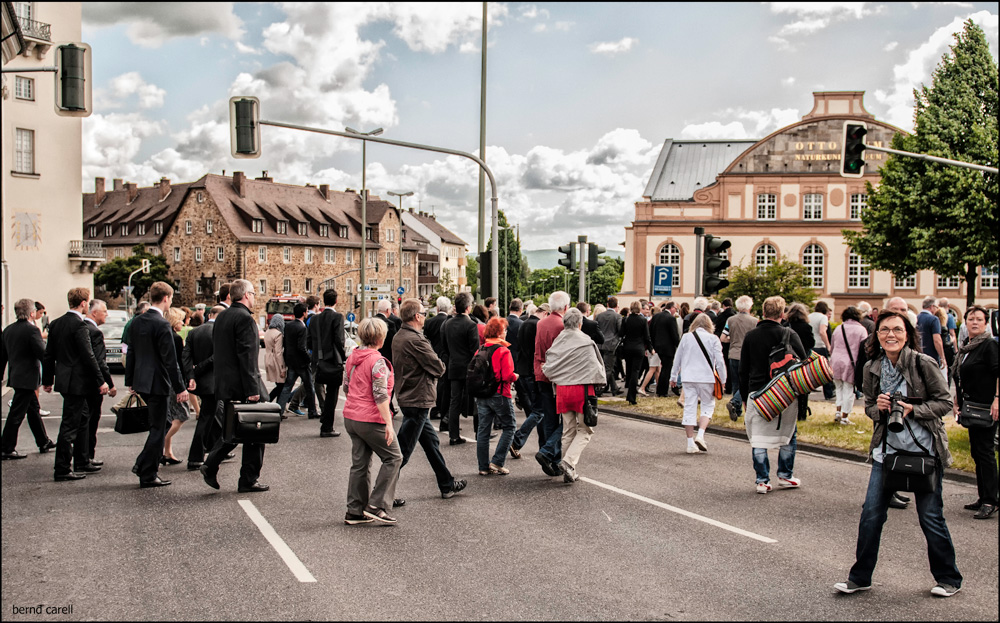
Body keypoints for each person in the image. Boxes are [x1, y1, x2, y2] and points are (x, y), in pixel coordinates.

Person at [834, 309, 961, 598]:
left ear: (907, 335)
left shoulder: (923, 363)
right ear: (876, 336)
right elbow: (866, 406)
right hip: (886, 452)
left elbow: (944, 402)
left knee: (930, 517)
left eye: (897, 330)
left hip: (924, 452)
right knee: (870, 515)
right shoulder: (871, 367)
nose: (891, 335)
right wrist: (877, 409)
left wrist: (913, 409)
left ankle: (949, 578)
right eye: (884, 330)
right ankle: (860, 577)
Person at [392, 299, 467, 502]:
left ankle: (446, 483)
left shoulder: (400, 335)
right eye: (424, 313)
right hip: (417, 399)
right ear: (417, 316)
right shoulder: (416, 339)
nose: (425, 316)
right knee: (403, 451)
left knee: (432, 443)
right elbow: (438, 367)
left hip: (410, 396)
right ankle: (381, 493)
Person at [199, 279, 269, 493]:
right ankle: (247, 479)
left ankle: (212, 465)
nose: (255, 296)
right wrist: (253, 391)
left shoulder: (223, 317)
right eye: (254, 293)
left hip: (226, 385)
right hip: (244, 385)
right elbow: (247, 358)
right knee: (257, 431)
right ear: (246, 295)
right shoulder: (245, 319)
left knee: (235, 429)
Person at [123, 283, 188, 488]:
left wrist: (131, 380)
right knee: (159, 427)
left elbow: (131, 351)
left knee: (158, 426)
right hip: (158, 382)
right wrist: (180, 388)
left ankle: (143, 464)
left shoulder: (137, 321)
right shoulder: (161, 324)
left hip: (142, 380)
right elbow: (170, 361)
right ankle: (147, 472)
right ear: (167, 298)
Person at [740, 296, 806, 494]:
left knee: (758, 436)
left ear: (763, 312)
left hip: (758, 391)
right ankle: (785, 475)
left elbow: (743, 370)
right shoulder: (789, 334)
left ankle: (762, 480)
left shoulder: (751, 336)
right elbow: (803, 363)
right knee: (788, 433)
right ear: (782, 313)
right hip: (784, 391)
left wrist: (744, 397)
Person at [42, 288, 108, 482]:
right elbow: (88, 356)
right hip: (77, 381)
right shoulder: (79, 325)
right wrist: (101, 381)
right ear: (83, 304)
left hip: (64, 379)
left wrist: (47, 380)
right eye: (87, 302)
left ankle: (82, 459)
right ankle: (62, 467)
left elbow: (49, 355)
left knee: (83, 417)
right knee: (71, 424)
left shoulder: (56, 324)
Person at [341, 317, 402, 525]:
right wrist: (388, 423)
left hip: (351, 416)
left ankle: (355, 510)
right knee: (394, 457)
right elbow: (381, 395)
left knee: (360, 464)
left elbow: (346, 387)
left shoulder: (353, 357)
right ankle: (377, 504)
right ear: (381, 338)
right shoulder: (377, 362)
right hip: (369, 418)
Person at [542, 308, 608, 483]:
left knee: (568, 431)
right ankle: (568, 462)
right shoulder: (586, 341)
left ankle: (569, 472)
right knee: (586, 430)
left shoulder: (558, 341)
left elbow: (549, 367)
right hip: (582, 391)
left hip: (563, 391)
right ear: (580, 323)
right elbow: (596, 368)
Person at [952, 305, 999, 520]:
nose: (975, 322)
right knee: (977, 452)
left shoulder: (989, 345)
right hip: (971, 407)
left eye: (979, 319)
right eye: (971, 319)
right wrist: (957, 401)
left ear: (986, 323)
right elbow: (961, 378)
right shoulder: (967, 347)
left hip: (987, 407)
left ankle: (991, 501)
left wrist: (997, 400)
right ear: (966, 322)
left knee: (986, 452)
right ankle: (983, 496)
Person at [1, 298, 55, 459]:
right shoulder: (31, 330)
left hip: (17, 375)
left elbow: (2, 356)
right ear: (32, 313)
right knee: (16, 414)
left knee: (33, 410)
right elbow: (43, 354)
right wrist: (49, 378)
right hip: (28, 377)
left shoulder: (8, 330)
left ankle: (43, 441)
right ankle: (6, 447)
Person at [669, 313, 727, 453]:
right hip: (707, 377)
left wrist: (673, 376)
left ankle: (690, 442)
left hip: (688, 377)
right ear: (710, 325)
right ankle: (700, 435)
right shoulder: (713, 339)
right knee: (708, 405)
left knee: (689, 407)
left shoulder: (686, 337)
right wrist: (723, 380)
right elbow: (719, 361)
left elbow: (678, 358)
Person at [533, 291, 571, 477]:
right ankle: (550, 453)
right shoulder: (562, 325)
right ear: (565, 307)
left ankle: (552, 458)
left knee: (549, 418)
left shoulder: (541, 323)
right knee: (566, 419)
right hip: (558, 377)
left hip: (540, 372)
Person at [475, 317, 518, 476]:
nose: (506, 332)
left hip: (482, 394)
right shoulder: (503, 350)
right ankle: (497, 461)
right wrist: (516, 377)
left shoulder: (480, 350)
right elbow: (507, 375)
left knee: (483, 430)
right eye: (504, 330)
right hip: (500, 393)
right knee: (510, 426)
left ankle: (483, 466)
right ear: (500, 333)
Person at [183, 305, 222, 471]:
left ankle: (216, 448)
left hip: (199, 381)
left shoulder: (194, 332)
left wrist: (191, 376)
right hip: (213, 381)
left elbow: (186, 357)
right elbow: (216, 357)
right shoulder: (219, 333)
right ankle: (195, 456)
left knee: (212, 416)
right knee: (206, 418)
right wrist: (198, 369)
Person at [509, 303, 549, 459]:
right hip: (533, 372)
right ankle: (517, 440)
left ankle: (543, 445)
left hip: (522, 371)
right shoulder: (538, 325)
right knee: (539, 411)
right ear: (545, 313)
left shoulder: (524, 323)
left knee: (538, 410)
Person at [442, 292, 479, 446]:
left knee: (454, 401)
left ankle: (453, 435)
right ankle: (479, 432)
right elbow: (475, 350)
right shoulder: (471, 325)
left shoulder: (446, 324)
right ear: (468, 308)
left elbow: (444, 347)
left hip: (454, 366)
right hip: (469, 368)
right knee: (477, 400)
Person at [83, 299, 117, 467]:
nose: (107, 314)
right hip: (92, 384)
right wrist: (109, 384)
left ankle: (83, 455)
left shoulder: (81, 327)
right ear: (94, 313)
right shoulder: (94, 332)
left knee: (82, 421)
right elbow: (99, 361)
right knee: (91, 420)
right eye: (104, 311)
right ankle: (87, 455)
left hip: (79, 383)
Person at [312, 289, 347, 438]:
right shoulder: (337, 317)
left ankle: (325, 420)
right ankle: (327, 426)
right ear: (336, 301)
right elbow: (339, 339)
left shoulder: (315, 319)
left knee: (322, 391)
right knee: (332, 394)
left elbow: (309, 340)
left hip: (318, 360)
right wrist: (344, 356)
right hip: (333, 360)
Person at [277, 303, 320, 420]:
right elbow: (301, 347)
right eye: (306, 311)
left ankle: (279, 412)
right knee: (309, 387)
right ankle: (312, 411)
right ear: (304, 313)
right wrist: (309, 358)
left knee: (287, 387)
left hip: (291, 361)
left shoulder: (289, 326)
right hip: (301, 363)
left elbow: (286, 344)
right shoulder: (302, 328)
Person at [162, 307, 192, 465]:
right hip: (176, 381)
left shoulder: (168, 335)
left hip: (167, 380)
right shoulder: (175, 338)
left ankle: (168, 452)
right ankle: (161, 444)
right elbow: (178, 363)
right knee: (181, 415)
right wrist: (183, 384)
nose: (183, 322)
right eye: (180, 319)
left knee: (171, 416)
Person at [830, 306, 868, 426]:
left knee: (839, 388)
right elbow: (864, 349)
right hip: (851, 363)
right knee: (849, 390)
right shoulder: (861, 330)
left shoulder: (838, 328)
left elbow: (832, 346)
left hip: (836, 361)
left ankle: (838, 411)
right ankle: (845, 417)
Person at [722, 296, 758, 421]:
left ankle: (737, 410)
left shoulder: (730, 320)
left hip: (733, 354)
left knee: (736, 382)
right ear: (750, 306)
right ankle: (735, 402)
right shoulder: (755, 321)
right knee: (747, 383)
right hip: (748, 355)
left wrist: (733, 340)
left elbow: (723, 338)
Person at [618, 301, 652, 406]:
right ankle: (631, 396)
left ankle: (629, 390)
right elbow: (647, 336)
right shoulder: (643, 320)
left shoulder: (626, 320)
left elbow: (621, 333)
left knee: (629, 370)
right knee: (635, 372)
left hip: (628, 347)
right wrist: (650, 348)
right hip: (639, 348)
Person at [424, 296, 451, 422]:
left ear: (437, 308)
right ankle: (440, 409)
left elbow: (426, 340)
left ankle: (433, 407)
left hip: (433, 354)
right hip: (446, 355)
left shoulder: (429, 322)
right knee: (443, 384)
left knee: (432, 382)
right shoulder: (450, 322)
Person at [785, 303, 814, 422]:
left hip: (788, 358)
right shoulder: (806, 327)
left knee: (788, 386)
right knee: (803, 386)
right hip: (803, 359)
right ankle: (802, 414)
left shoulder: (786, 326)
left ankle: (788, 412)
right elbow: (811, 343)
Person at [649, 302, 680, 397]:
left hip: (658, 346)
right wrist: (679, 345)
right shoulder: (671, 318)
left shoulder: (656, 316)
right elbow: (674, 334)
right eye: (676, 309)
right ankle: (663, 391)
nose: (676, 311)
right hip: (668, 347)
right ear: (672, 308)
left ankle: (660, 389)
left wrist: (653, 345)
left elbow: (651, 331)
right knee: (666, 369)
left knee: (662, 368)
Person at [596, 297, 624, 396]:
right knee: (608, 368)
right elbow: (620, 331)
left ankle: (614, 388)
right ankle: (599, 390)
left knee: (606, 367)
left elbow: (597, 329)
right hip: (611, 345)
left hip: (600, 344)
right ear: (616, 306)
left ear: (607, 305)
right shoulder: (617, 316)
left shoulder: (599, 316)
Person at [809, 301, 836, 400]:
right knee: (825, 371)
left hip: (811, 346)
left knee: (811, 370)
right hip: (820, 345)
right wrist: (828, 345)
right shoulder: (823, 317)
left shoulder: (809, 316)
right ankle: (828, 393)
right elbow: (822, 331)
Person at [915, 296, 947, 370]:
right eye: (936, 307)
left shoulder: (916, 318)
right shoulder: (934, 319)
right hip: (931, 358)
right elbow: (937, 340)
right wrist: (942, 357)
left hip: (917, 356)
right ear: (932, 307)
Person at [263, 314, 286, 403]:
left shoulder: (268, 331)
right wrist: (282, 368)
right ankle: (270, 401)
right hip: (275, 360)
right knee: (281, 385)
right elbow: (278, 352)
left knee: (279, 385)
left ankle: (272, 402)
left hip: (268, 357)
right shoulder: (278, 334)